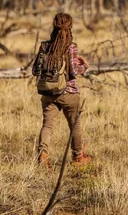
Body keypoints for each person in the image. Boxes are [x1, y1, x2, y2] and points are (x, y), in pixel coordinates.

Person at [32, 13, 91, 168]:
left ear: (54, 26)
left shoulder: (45, 46)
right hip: (69, 93)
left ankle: (43, 156)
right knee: (75, 125)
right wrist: (84, 65)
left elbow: (34, 70)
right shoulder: (71, 47)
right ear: (70, 27)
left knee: (48, 124)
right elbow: (73, 71)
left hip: (47, 92)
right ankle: (78, 157)